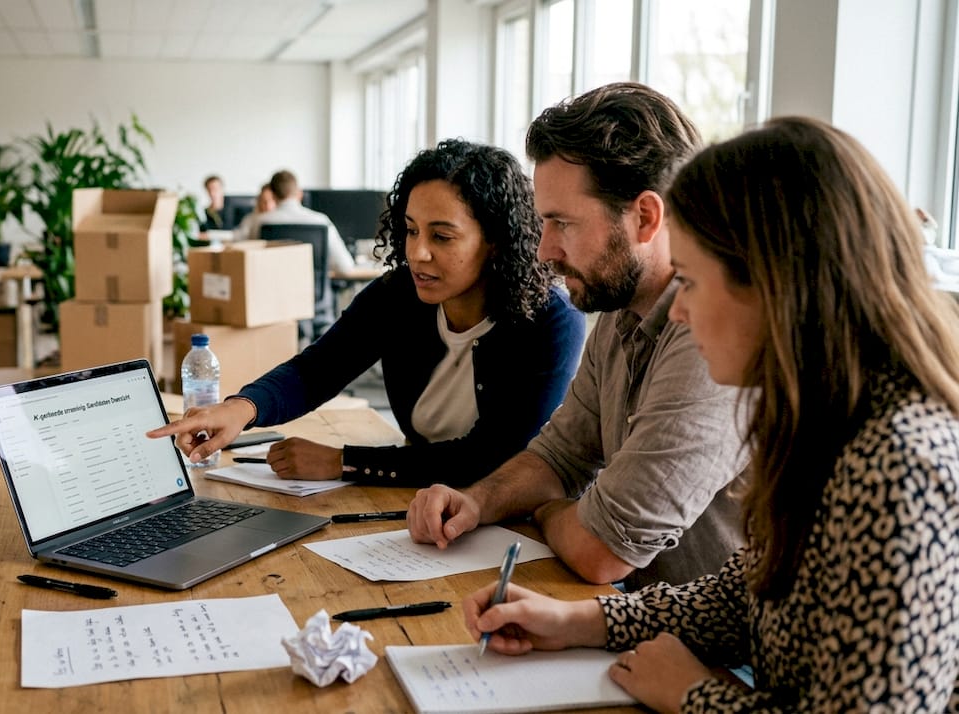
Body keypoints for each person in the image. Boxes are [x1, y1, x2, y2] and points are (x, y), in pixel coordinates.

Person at [463, 116, 959, 713]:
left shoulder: (898, 466)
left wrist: (696, 697)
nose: (678, 313)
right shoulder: (819, 420)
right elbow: (748, 593)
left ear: (775, 287)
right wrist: (580, 620)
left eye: (693, 282)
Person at [407, 82, 745, 589]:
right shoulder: (618, 309)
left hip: (723, 661)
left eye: (561, 223)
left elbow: (603, 551)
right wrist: (477, 501)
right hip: (634, 622)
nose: (544, 251)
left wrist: (551, 512)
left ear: (646, 218)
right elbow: (561, 456)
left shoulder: (709, 335)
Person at [148, 139, 585, 487]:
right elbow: (317, 368)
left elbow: (491, 458)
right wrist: (242, 408)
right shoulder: (399, 296)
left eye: (443, 236)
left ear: (495, 242)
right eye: (411, 230)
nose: (418, 253)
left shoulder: (550, 321)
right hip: (419, 498)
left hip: (511, 515)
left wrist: (344, 462)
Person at [232, 169, 357, 275]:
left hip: (272, 297)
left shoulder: (258, 222)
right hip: (315, 300)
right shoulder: (321, 221)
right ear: (299, 193)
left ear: (273, 195)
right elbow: (345, 267)